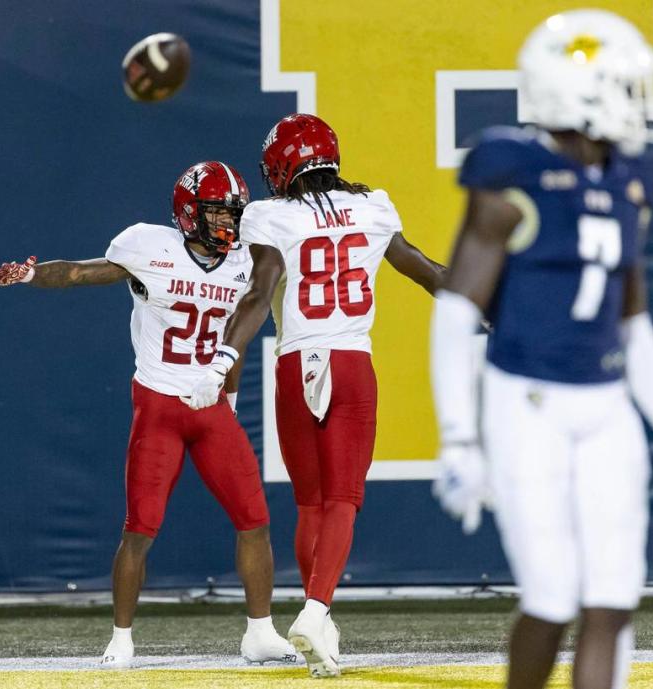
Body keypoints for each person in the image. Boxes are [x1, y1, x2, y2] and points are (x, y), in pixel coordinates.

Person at [429, 11, 653, 689]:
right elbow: (456, 310)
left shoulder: (628, 178)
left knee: (613, 596)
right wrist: (457, 438)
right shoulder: (515, 170)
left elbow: (632, 323)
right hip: (525, 401)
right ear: (578, 91)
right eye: (624, 86)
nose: (638, 103)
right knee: (553, 595)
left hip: (607, 404)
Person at [0, 161, 296, 669]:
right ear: (189, 213)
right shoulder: (150, 248)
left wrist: (231, 396)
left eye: (234, 214)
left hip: (212, 405)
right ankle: (121, 639)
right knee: (139, 529)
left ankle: (260, 633)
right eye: (219, 213)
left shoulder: (245, 263)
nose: (229, 224)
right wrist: (31, 273)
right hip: (158, 406)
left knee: (255, 519)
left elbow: (233, 339)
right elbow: (79, 271)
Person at [182, 114, 445, 677]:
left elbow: (258, 294)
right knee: (344, 500)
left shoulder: (269, 215)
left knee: (309, 502)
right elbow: (424, 271)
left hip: (294, 363)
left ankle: (317, 621)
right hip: (348, 361)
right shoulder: (373, 205)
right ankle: (317, 609)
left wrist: (224, 357)